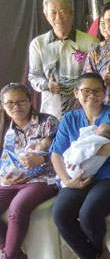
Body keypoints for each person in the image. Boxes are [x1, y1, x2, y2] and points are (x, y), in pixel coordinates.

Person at [50, 73, 110, 259]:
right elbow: (56, 152)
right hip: (78, 176)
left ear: (104, 93)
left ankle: (96, 251)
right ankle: (89, 255)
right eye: (86, 91)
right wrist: (67, 180)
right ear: (75, 93)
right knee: (60, 214)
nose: (92, 96)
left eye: (97, 91)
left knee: (89, 213)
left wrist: (87, 148)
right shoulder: (70, 118)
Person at [0, 83, 58, 259]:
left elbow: (65, 153)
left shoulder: (48, 122)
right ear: (3, 105)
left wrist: (41, 159)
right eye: (9, 103)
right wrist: (4, 177)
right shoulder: (8, 129)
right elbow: (5, 159)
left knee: (17, 209)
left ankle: (8, 256)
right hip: (13, 182)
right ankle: (12, 253)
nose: (15, 107)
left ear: (30, 101)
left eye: (20, 101)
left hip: (43, 179)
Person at [28, 0, 98, 120]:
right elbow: (34, 76)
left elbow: (96, 75)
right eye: (53, 12)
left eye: (62, 11)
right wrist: (46, 84)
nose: (58, 17)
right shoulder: (38, 44)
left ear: (71, 12)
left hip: (84, 108)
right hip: (51, 109)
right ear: (46, 16)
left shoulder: (90, 42)